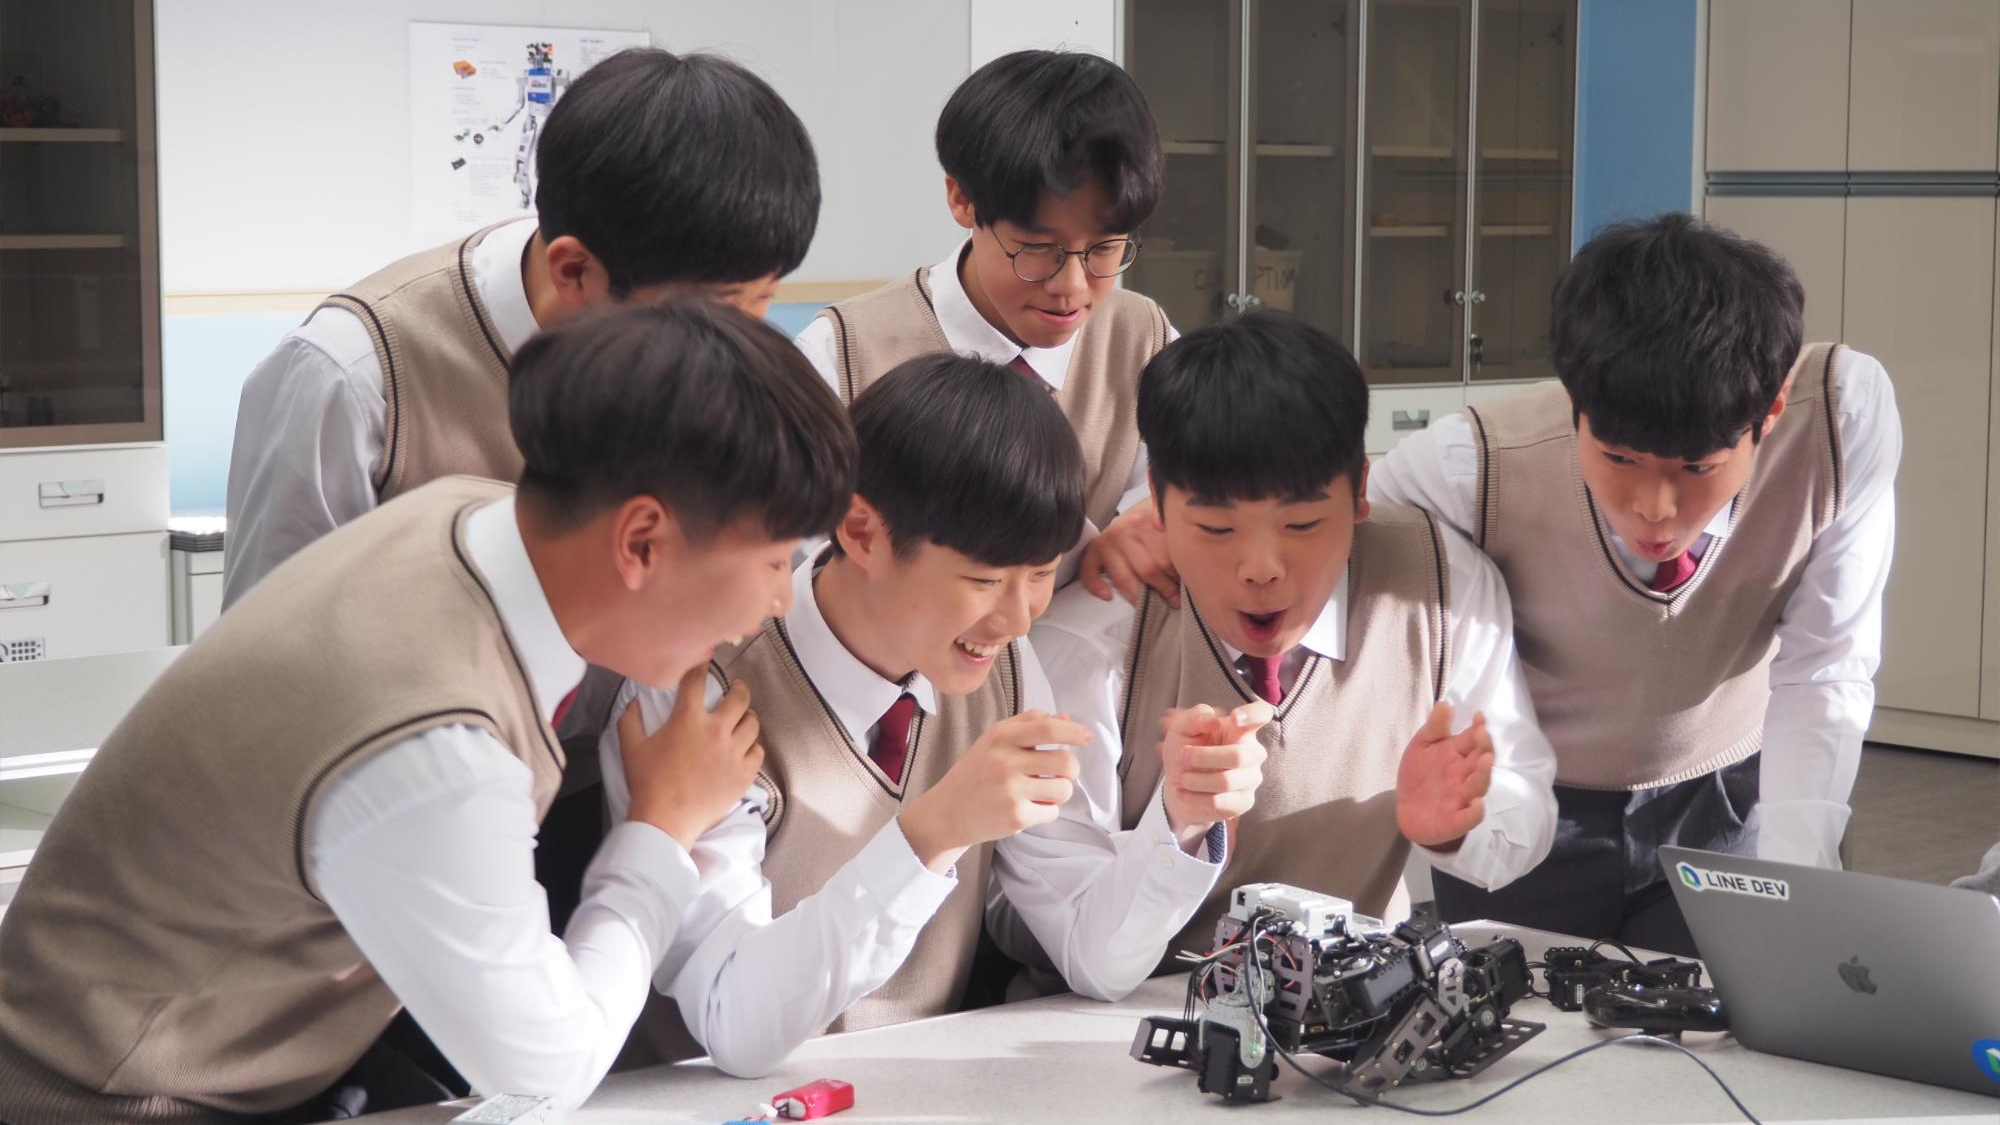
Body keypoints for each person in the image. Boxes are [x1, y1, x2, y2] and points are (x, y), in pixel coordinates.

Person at [0, 300, 856, 1121]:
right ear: (641, 541)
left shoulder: (468, 515)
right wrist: (662, 829)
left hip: (251, 1066)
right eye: (774, 560)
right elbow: (550, 1066)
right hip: (115, 1100)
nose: (782, 599)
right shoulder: (437, 748)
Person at [599, 353, 1263, 1073]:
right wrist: (933, 832)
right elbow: (733, 1022)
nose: (1018, 617)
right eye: (983, 579)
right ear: (861, 531)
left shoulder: (1007, 669)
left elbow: (1096, 956)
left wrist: (1181, 818)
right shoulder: (699, 694)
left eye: (1042, 574)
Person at [1369, 213, 1902, 954]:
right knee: (1513, 1024)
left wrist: (1794, 887)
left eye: (1697, 468)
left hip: (1727, 803)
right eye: (1618, 458)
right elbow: (1361, 593)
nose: (1655, 508)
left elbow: (1826, 663)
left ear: (1771, 410)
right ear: (1574, 398)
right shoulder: (1464, 467)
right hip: (1532, 808)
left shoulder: (1842, 420)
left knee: (1738, 1013)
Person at [1032, 309, 1559, 958]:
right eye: (1217, 530)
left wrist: (1457, 825)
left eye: (1302, 525)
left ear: (1361, 490)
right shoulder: (1094, 642)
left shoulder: (1439, 584)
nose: (1262, 569)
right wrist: (1179, 826)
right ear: (1157, 504)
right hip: (1134, 1010)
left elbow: (1525, 807)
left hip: (1361, 1000)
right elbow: (1080, 951)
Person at [793, 48, 1181, 602]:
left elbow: (1189, 491)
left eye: (1104, 249)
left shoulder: (1144, 339)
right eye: (1038, 249)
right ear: (961, 199)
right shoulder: (841, 357)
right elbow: (804, 579)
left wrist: (1152, 520)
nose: (1072, 287)